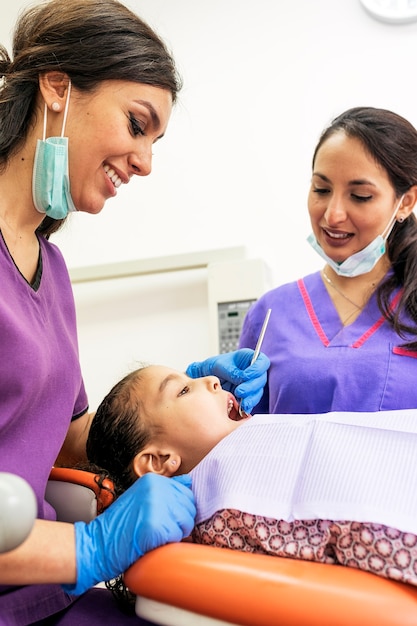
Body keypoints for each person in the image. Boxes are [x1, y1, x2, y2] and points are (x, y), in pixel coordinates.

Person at [0, 1, 269, 624]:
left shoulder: (51, 271)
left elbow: (61, 434)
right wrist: (91, 545)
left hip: (44, 594)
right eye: (136, 124)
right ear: (58, 88)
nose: (145, 162)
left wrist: (176, 414)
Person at [86, 363, 417, 591]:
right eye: (184, 390)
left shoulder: (256, 440)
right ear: (158, 461)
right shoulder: (226, 500)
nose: (212, 380)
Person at [238, 106, 417, 415]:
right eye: (321, 189)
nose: (333, 215)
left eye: (360, 196)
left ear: (405, 202)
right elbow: (241, 437)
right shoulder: (270, 315)